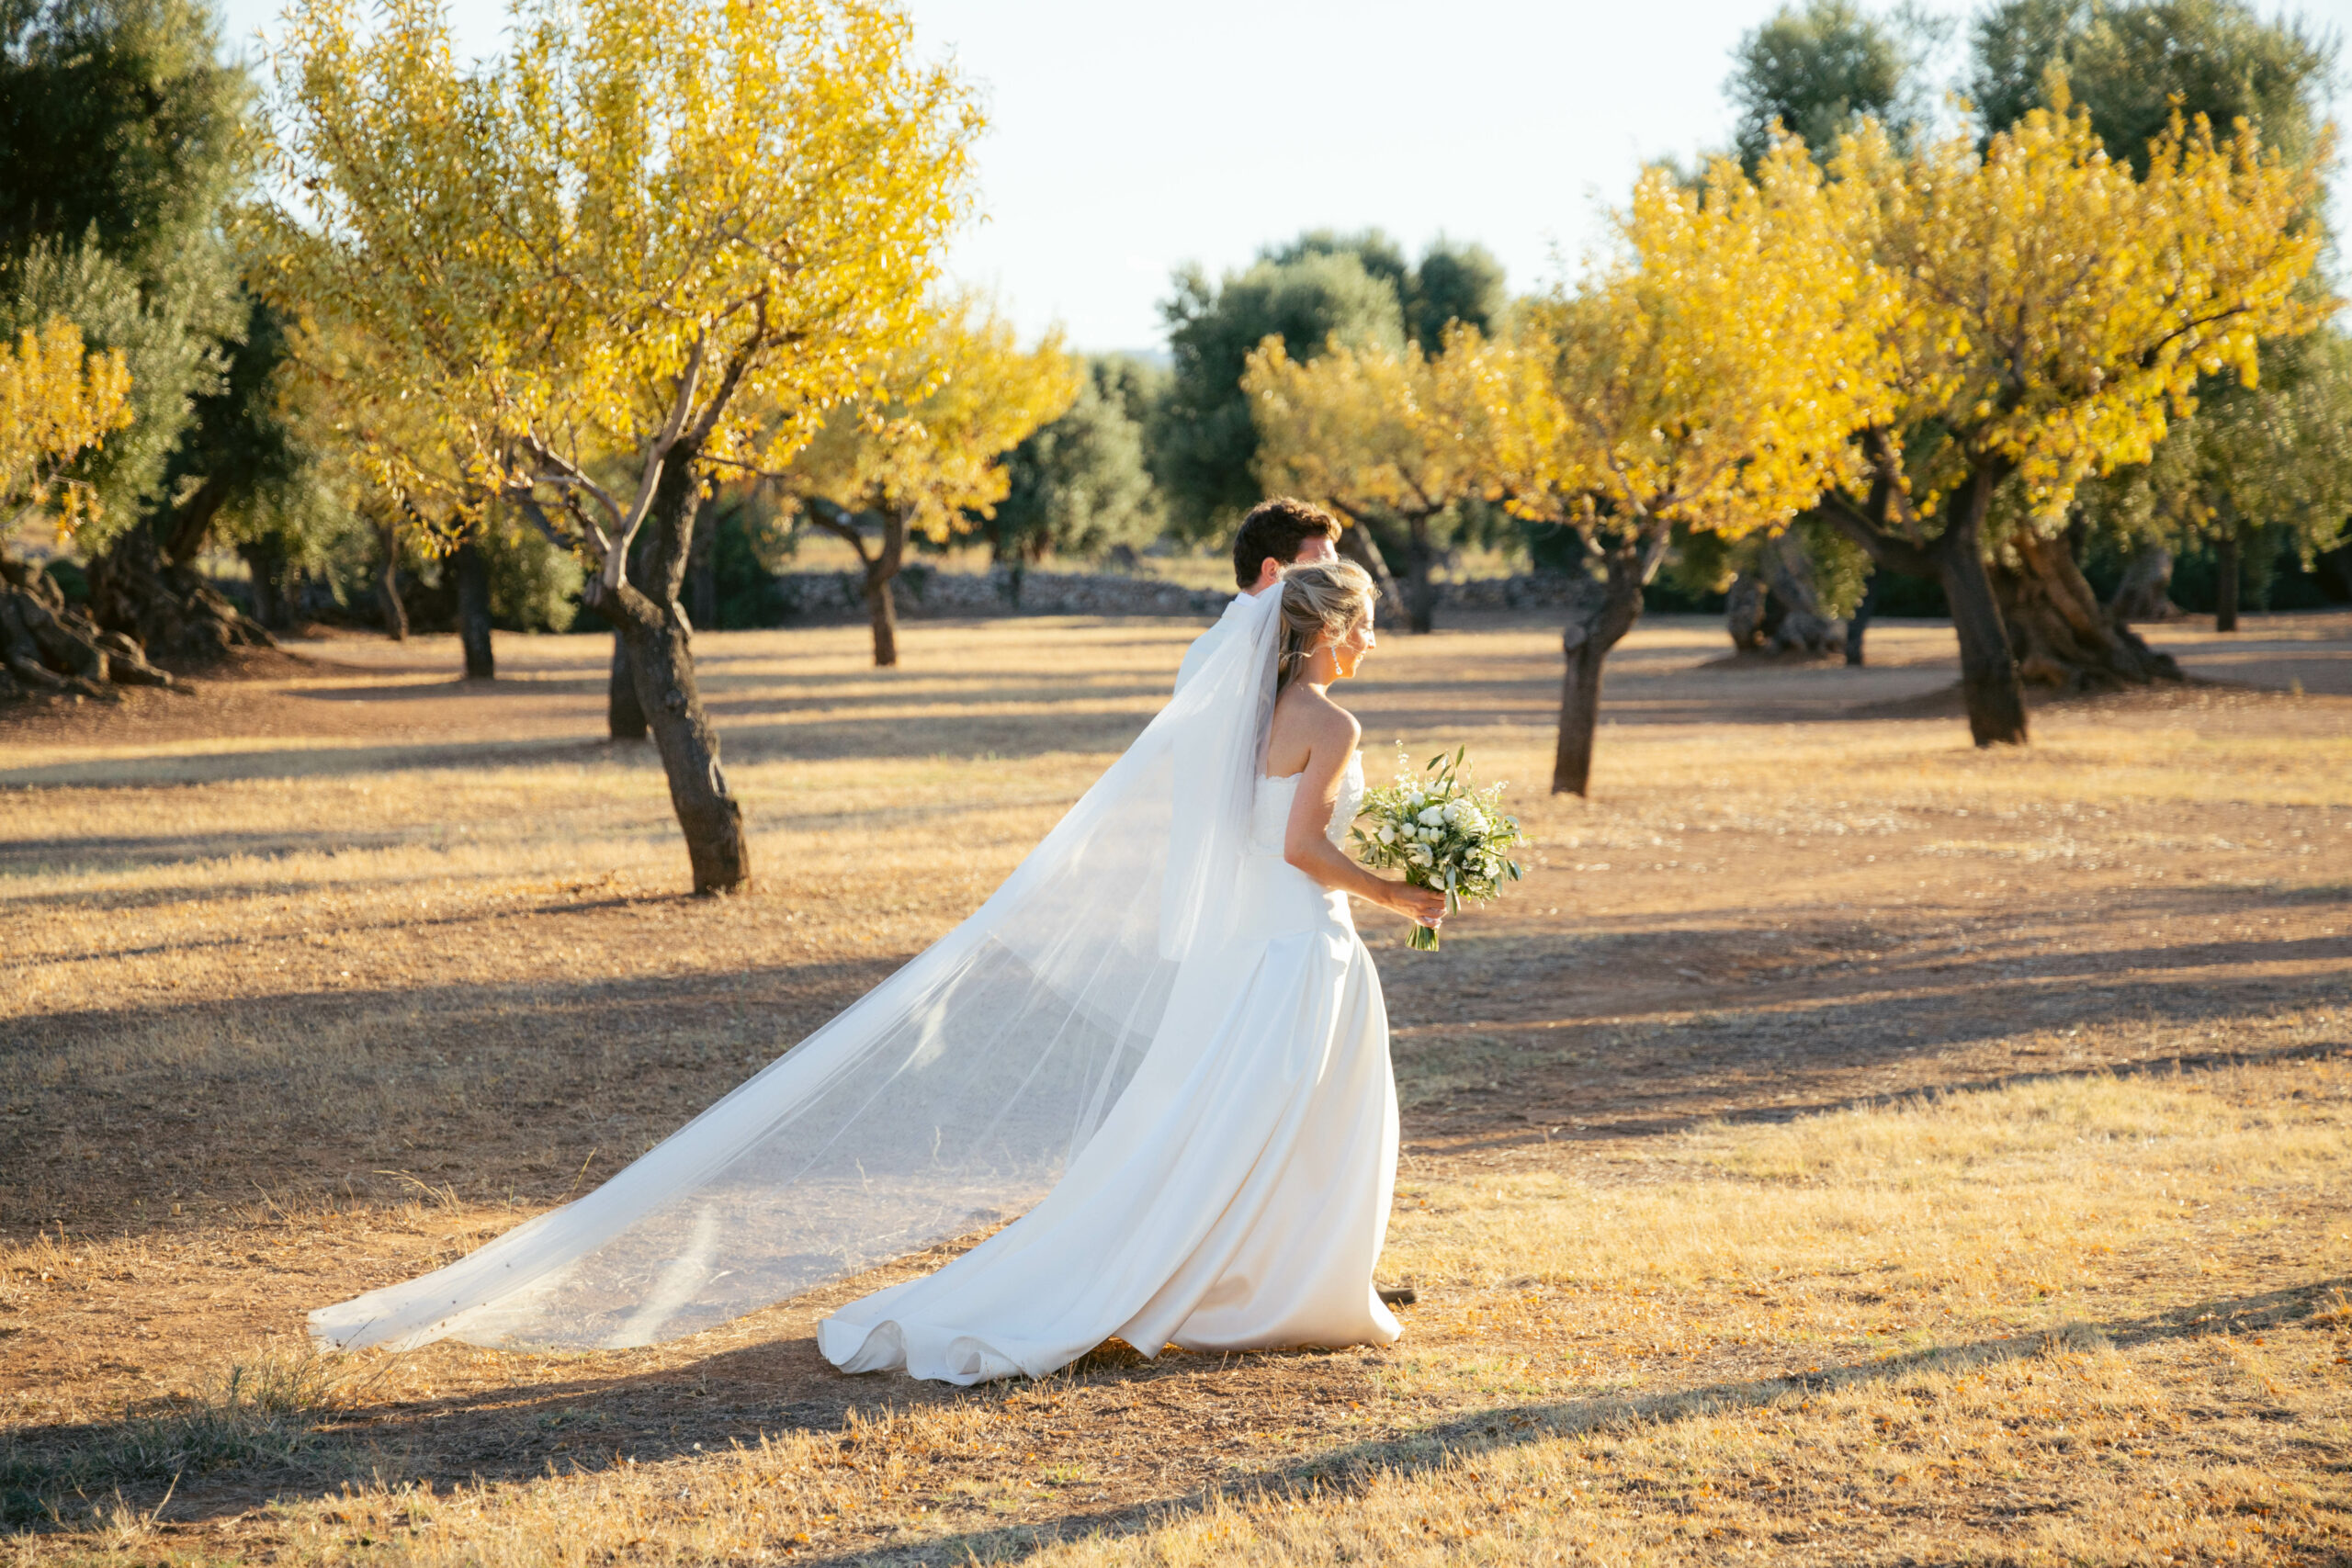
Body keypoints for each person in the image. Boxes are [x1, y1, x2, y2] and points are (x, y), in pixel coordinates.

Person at [310, 562, 1442, 1384]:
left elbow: (1241, 835)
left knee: (1214, 1120)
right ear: (1329, 631)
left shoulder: (1238, 716)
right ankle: (1270, 1286)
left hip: (1252, 950)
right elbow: (1298, 850)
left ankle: (1239, 1281)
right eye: (1369, 626)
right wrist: (1403, 893)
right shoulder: (1329, 725)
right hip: (1297, 942)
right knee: (1282, 1118)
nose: (1375, 643)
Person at [1172, 497, 1340, 694]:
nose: (1335, 582)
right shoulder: (1218, 652)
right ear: (1273, 571)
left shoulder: (1293, 643)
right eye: (1320, 570)